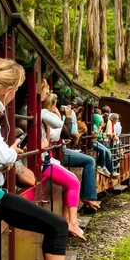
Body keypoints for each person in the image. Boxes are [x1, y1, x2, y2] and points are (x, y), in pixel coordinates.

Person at [0, 58, 94, 260]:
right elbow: (2, 156)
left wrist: (9, 153)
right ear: (6, 90)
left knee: (55, 225)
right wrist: (13, 152)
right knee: (56, 226)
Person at [41, 89, 86, 240]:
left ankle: (68, 220)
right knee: (74, 182)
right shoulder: (43, 114)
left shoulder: (41, 114)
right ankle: (71, 222)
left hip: (45, 159)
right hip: (43, 162)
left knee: (72, 180)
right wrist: (61, 116)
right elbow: (63, 132)